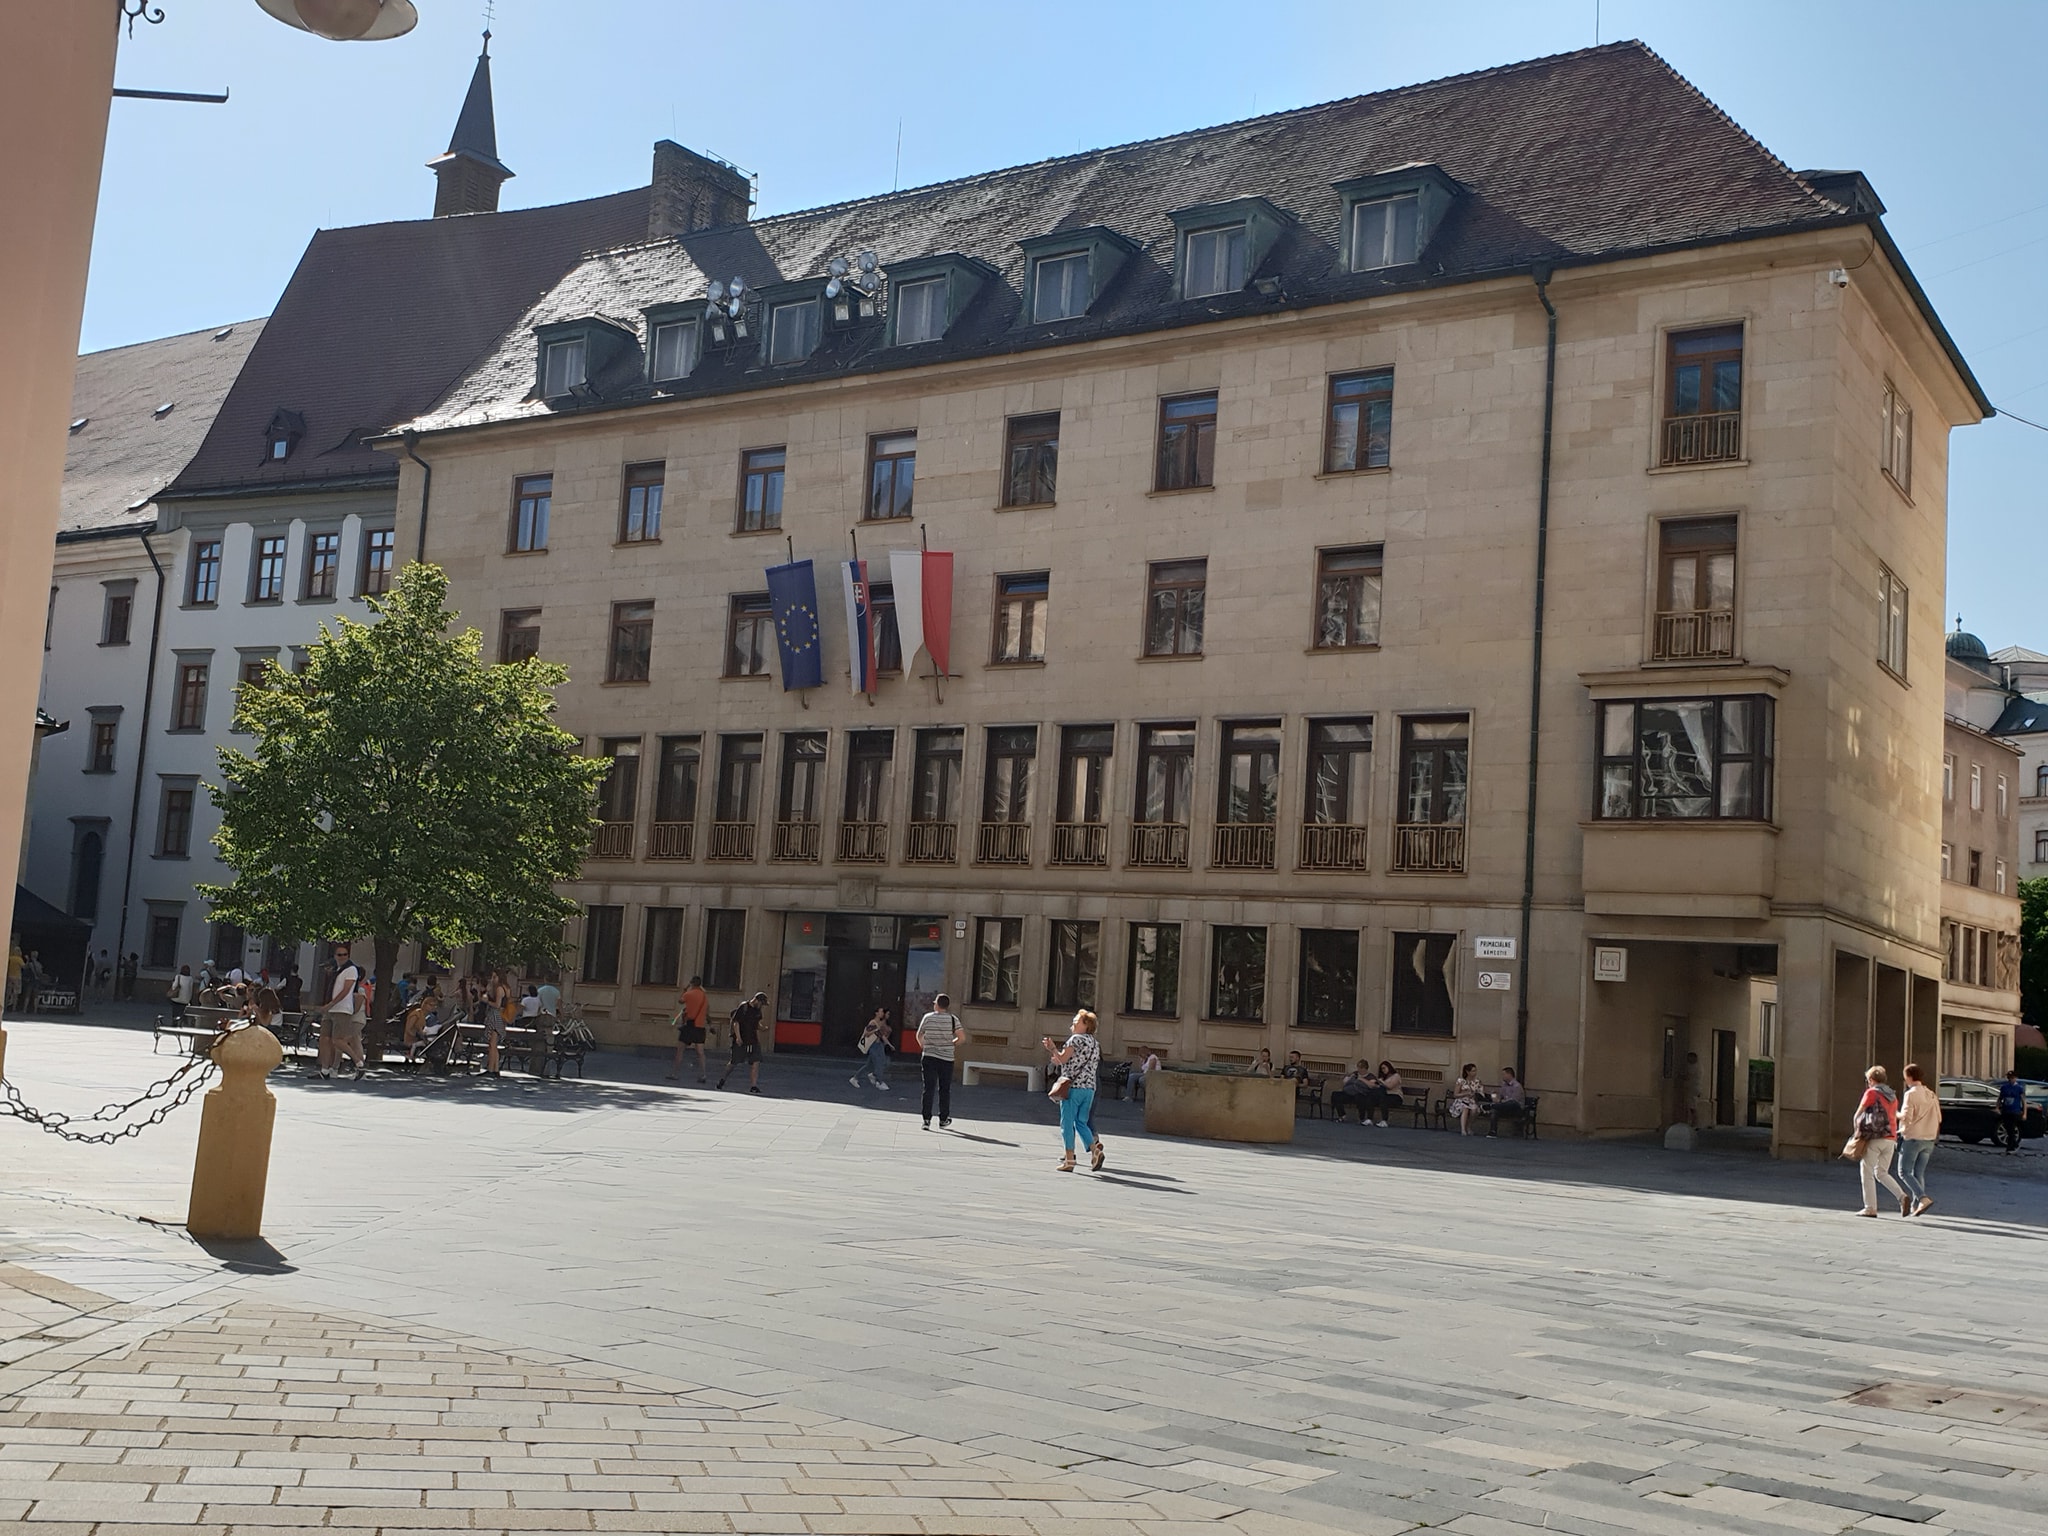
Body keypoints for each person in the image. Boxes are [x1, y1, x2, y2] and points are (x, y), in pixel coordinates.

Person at [1044, 1010, 1105, 1172]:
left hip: (1073, 1088)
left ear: (1086, 1025)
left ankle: (1069, 1159)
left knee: (1067, 1122)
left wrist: (1052, 1048)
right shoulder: (1095, 1043)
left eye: (1076, 1021)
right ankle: (1095, 1150)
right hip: (1089, 1088)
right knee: (1081, 1122)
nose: (1073, 1024)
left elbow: (1062, 1059)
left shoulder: (1075, 1039)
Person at [1850, 1065, 1907, 1216]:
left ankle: (1870, 1207)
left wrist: (1856, 1134)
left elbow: (1858, 1114)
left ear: (1871, 1079)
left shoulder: (1871, 1093)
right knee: (1882, 1172)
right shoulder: (1892, 1096)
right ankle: (1902, 1196)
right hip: (1891, 1138)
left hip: (1875, 1137)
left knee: (1866, 1171)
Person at [1895, 1063, 1940, 1216]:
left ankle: (1922, 1198)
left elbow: (1906, 1117)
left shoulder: (1911, 1094)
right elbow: (1939, 1117)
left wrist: (1895, 1113)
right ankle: (1916, 1205)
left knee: (1904, 1172)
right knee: (1918, 1173)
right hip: (1929, 1138)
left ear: (1908, 1077)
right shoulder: (1931, 1094)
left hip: (1913, 1137)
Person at [317, 944, 366, 1081]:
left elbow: (346, 990)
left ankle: (359, 1063)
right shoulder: (337, 970)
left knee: (338, 1040)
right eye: (339, 955)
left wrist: (330, 1004)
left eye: (345, 954)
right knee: (324, 1038)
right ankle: (324, 1071)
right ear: (335, 956)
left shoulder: (351, 969)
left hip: (342, 1009)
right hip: (331, 1009)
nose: (342, 957)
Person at [916, 993, 963, 1128]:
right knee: (944, 1089)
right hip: (946, 1058)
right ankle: (943, 1119)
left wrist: (924, 1046)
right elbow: (961, 1037)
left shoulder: (927, 1017)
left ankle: (926, 1120)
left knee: (928, 1088)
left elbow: (919, 1034)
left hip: (929, 1056)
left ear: (937, 1004)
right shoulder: (953, 1019)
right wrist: (951, 1044)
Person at [717, 991, 767, 1093]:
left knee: (756, 1061)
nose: (762, 1006)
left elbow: (756, 1023)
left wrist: (762, 1028)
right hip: (742, 1040)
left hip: (753, 1040)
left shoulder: (758, 1011)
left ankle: (753, 1086)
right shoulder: (744, 1007)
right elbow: (736, 1023)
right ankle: (722, 1080)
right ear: (756, 1000)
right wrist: (738, 1037)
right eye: (761, 1003)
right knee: (734, 1062)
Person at [667, 974, 708, 1082]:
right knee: (700, 1052)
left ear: (692, 983)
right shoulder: (704, 996)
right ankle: (703, 1074)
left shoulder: (689, 994)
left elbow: (680, 1001)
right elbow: (707, 1011)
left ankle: (675, 1073)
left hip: (689, 1024)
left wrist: (685, 989)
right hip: (700, 1026)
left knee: (680, 1050)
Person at [851, 1007, 892, 1091]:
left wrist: (889, 1044)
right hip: (873, 1046)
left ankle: (855, 1078)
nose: (882, 1013)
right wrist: (875, 1030)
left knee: (869, 1065)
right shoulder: (873, 1022)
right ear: (876, 1013)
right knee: (879, 1063)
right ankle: (879, 1082)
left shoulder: (879, 1023)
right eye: (881, 1012)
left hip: (879, 1045)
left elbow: (881, 1036)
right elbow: (866, 1033)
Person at [1488, 1065, 1526, 1138]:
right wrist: (1496, 1097)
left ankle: (1491, 1106)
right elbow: (1500, 1096)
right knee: (1495, 1110)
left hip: (1517, 1109)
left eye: (1504, 1074)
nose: (1502, 1076)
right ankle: (1493, 1131)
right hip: (1505, 1108)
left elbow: (1514, 1100)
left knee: (1512, 1103)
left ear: (1509, 1075)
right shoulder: (1504, 1086)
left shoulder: (1517, 1086)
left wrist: (1502, 1102)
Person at [1448, 1063, 1484, 1135]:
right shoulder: (1461, 1081)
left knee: (1474, 1110)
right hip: (1461, 1101)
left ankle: (1469, 1126)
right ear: (1468, 1072)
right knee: (1465, 1108)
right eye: (1473, 1071)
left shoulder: (1477, 1081)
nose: (1475, 1073)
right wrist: (1465, 1094)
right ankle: (1463, 1129)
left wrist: (1476, 1094)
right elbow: (1455, 1094)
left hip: (1471, 1101)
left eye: (1475, 1071)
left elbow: (1481, 1093)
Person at [1365, 1061, 1403, 1127]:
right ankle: (1369, 1119)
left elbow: (1390, 1086)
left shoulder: (1396, 1076)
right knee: (1371, 1097)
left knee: (1383, 1099)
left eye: (1384, 1068)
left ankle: (1384, 1121)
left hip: (1395, 1096)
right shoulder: (1383, 1077)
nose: (1383, 1070)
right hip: (1384, 1096)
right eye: (1382, 1069)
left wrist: (1382, 1081)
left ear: (1389, 1067)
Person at [1997, 1068, 2026, 1154]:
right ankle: (2013, 1145)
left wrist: (2024, 1113)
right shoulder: (2004, 1087)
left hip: (2015, 1111)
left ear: (2015, 1078)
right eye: (2009, 1078)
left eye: (2012, 1078)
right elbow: (2000, 1098)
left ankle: (2011, 1147)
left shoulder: (2019, 1088)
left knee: (2011, 1128)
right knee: (2008, 1128)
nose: (2011, 1079)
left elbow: (2024, 1101)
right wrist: (1997, 1107)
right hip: (2006, 1110)